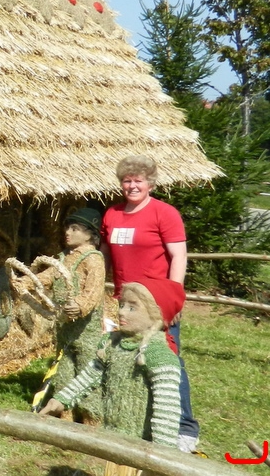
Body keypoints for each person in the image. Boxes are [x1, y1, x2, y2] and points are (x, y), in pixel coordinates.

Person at [100, 155, 199, 452]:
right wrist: (99, 291)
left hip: (157, 303)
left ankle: (184, 428)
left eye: (138, 181)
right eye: (127, 180)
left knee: (167, 361)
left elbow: (178, 256)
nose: (132, 186)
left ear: (150, 184)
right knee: (128, 359)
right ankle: (139, 421)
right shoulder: (112, 214)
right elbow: (105, 255)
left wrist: (173, 296)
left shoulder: (164, 213)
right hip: (125, 303)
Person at [42, 278, 185, 453]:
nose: (122, 312)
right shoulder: (112, 344)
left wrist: (163, 453)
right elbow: (90, 375)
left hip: (142, 446)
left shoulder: (159, 356)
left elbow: (167, 409)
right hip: (113, 437)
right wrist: (61, 400)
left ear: (156, 316)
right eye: (122, 305)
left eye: (132, 308)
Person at [12, 207, 105, 424]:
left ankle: (91, 417)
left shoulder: (93, 259)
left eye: (75, 229)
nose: (68, 233)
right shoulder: (64, 258)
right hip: (65, 327)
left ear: (90, 234)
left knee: (87, 370)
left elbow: (94, 290)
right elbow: (48, 276)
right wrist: (25, 282)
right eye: (67, 228)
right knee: (64, 369)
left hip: (86, 329)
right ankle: (65, 413)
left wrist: (80, 306)